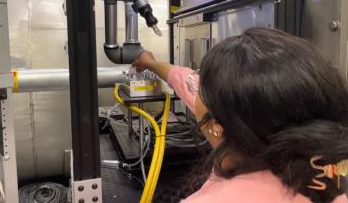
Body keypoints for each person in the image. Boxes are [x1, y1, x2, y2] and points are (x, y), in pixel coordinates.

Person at [133, 27, 348, 203]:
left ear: (217, 125)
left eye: (201, 89)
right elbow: (186, 81)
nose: (195, 85)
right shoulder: (326, 170)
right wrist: (151, 63)